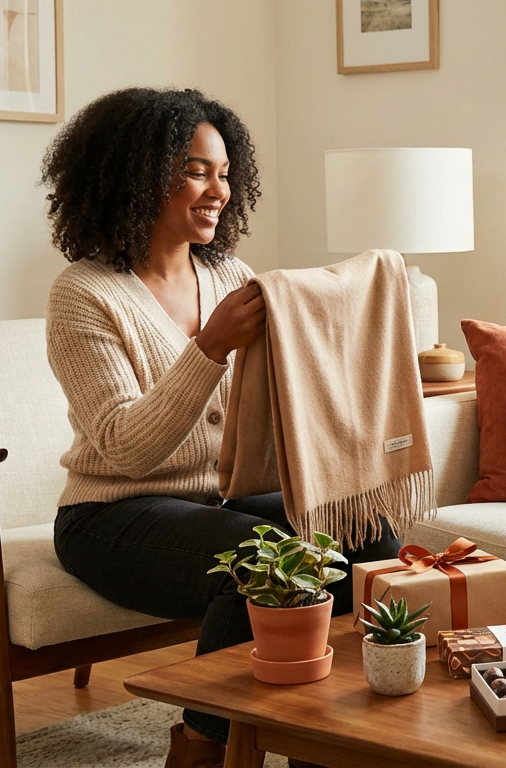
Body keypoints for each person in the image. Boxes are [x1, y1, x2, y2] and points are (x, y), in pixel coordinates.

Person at [41, 88, 401, 764]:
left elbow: (278, 394)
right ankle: (207, 748)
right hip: (113, 514)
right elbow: (127, 449)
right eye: (198, 171)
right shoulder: (84, 293)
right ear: (137, 174)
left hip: (219, 497)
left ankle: (327, 740)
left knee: (365, 531)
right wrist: (209, 347)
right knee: (263, 558)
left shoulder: (229, 273)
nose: (220, 191)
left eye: (226, 173)